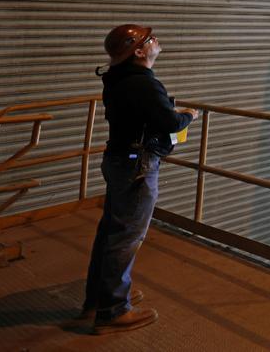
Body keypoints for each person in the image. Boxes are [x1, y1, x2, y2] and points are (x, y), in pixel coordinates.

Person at [80, 24, 198, 334]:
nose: (156, 40)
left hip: (118, 159)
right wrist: (189, 116)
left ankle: (98, 298)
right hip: (138, 165)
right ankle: (113, 311)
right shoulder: (144, 84)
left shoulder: (116, 79)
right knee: (126, 237)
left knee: (110, 232)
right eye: (150, 39)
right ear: (139, 51)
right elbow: (170, 120)